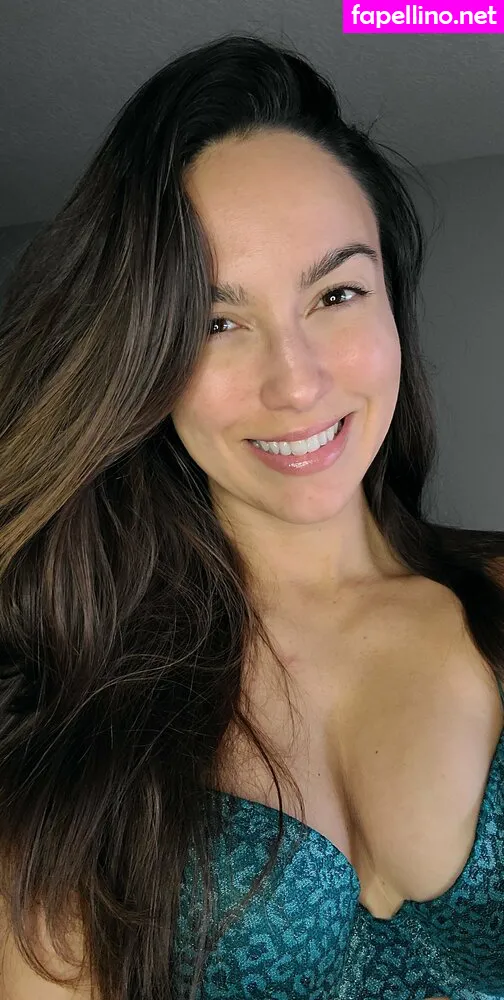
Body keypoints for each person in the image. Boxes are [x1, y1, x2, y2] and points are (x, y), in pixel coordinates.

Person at [0, 32, 502, 1000]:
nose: (296, 382)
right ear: (143, 357)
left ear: (392, 304)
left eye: (337, 293)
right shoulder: (73, 714)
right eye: (215, 321)